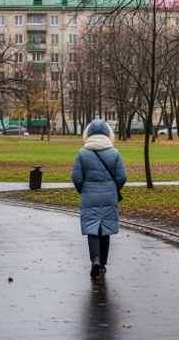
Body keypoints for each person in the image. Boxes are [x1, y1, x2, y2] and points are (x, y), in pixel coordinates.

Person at [71, 119, 127, 277]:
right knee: (105, 229)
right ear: (108, 134)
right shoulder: (114, 153)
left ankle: (95, 258)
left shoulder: (82, 153)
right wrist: (113, 188)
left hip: (89, 196)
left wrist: (83, 189)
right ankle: (102, 265)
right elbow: (122, 176)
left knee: (92, 228)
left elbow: (76, 176)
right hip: (109, 196)